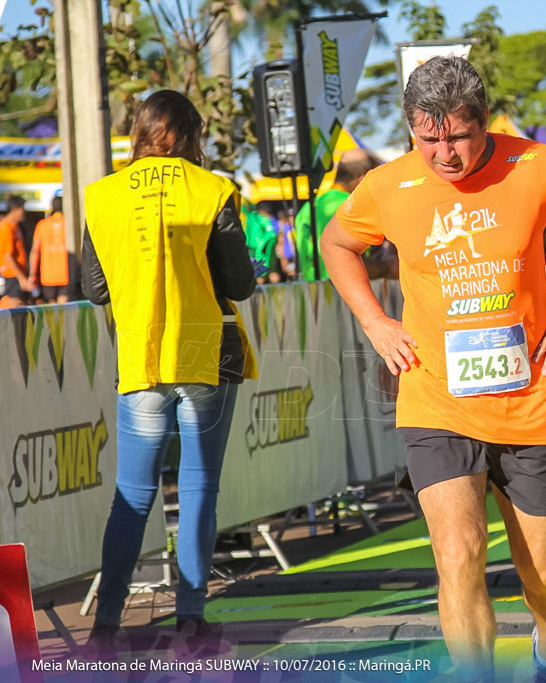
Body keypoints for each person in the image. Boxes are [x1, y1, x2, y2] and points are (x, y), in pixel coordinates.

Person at [319, 56, 546, 681]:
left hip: (527, 402)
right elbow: (337, 244)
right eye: (428, 138)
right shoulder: (386, 185)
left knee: (545, 578)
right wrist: (377, 322)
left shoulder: (534, 165)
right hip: (435, 401)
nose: (444, 154)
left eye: (457, 135)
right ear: (410, 128)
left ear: (483, 122)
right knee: (457, 555)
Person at [80, 90, 257, 657]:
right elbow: (239, 284)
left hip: (140, 356)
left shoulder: (101, 196)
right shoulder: (213, 190)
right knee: (200, 487)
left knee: (132, 493)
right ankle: (190, 618)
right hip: (206, 352)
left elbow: (93, 289)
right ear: (186, 135)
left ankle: (107, 625)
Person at [294, 148, 379, 281]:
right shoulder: (353, 205)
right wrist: (387, 266)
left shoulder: (308, 207)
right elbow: (354, 264)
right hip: (343, 292)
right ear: (362, 179)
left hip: (313, 293)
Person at [28, 193, 77, 303]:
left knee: (52, 305)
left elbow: (35, 251)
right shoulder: (68, 224)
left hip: (48, 275)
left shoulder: (42, 224)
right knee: (64, 304)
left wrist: (32, 274)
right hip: (66, 273)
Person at [0, 195, 31, 308]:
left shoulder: (16, 226)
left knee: (22, 305)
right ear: (14, 209)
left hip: (18, 273)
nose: (24, 212)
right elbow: (7, 255)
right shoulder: (5, 227)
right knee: (13, 306)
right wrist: (21, 278)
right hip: (12, 274)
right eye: (22, 209)